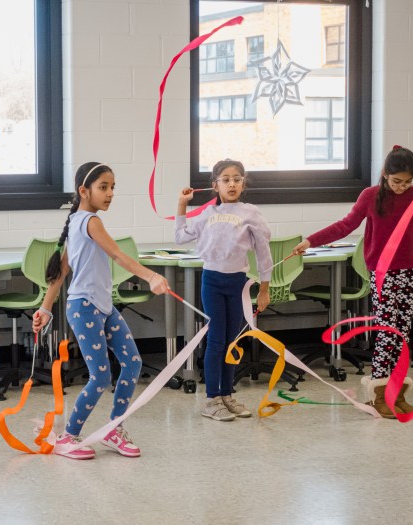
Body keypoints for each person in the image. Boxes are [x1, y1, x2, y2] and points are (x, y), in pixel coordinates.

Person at [292, 145, 413, 418]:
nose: (401, 187)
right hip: (382, 273)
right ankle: (379, 394)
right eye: (396, 181)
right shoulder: (370, 196)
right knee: (388, 333)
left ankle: (397, 393)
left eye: (407, 182)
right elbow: (345, 225)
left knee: (402, 334)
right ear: (384, 174)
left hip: (407, 271)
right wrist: (310, 240)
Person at [33, 162, 169, 460]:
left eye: (112, 187)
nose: (110, 194)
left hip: (103, 307)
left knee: (132, 364)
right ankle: (68, 436)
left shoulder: (80, 222)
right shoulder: (90, 221)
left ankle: (113, 429)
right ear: (84, 191)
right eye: (103, 187)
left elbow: (61, 270)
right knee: (101, 376)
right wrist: (151, 276)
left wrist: (45, 308)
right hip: (84, 308)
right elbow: (118, 255)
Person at [175, 159, 272, 422]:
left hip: (238, 283)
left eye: (237, 179)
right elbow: (180, 236)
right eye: (225, 179)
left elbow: (264, 252)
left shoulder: (250, 212)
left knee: (233, 341)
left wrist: (264, 288)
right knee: (217, 340)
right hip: (212, 281)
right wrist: (182, 205)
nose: (232, 183)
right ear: (215, 184)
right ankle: (211, 399)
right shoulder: (207, 214)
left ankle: (227, 395)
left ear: (243, 183)